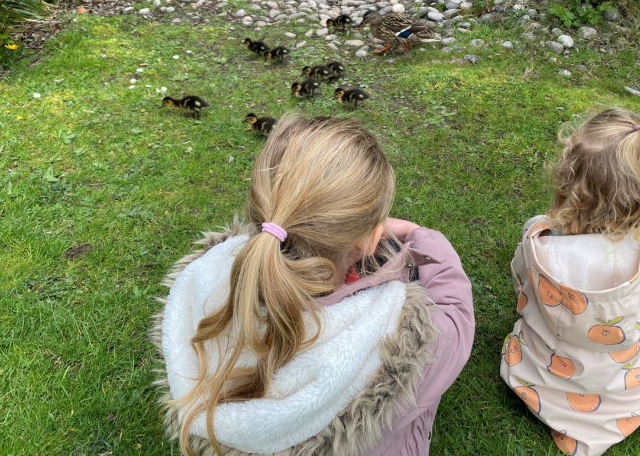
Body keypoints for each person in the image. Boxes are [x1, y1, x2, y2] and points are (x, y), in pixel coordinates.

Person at [153, 115, 474, 456]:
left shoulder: (207, 278)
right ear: (369, 240)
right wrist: (425, 236)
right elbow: (456, 317)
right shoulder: (401, 338)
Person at [500, 108, 640, 456]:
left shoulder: (538, 244)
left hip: (540, 376)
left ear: (569, 182)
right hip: (624, 388)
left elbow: (521, 288)